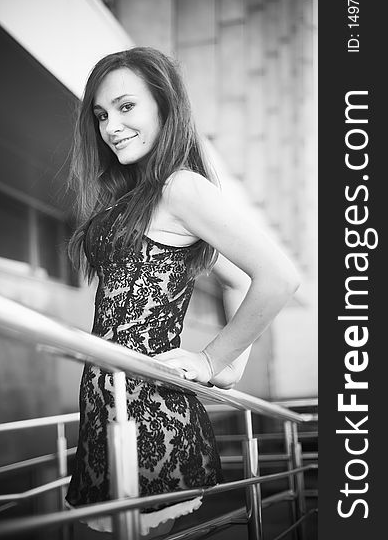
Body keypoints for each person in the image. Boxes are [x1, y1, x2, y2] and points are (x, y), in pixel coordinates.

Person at [64, 46, 300, 537]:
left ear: (163, 106)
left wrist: (216, 360)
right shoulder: (134, 195)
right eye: (102, 114)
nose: (111, 127)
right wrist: (233, 360)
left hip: (153, 410)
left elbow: (277, 277)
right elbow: (232, 280)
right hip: (107, 404)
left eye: (126, 107)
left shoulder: (180, 188)